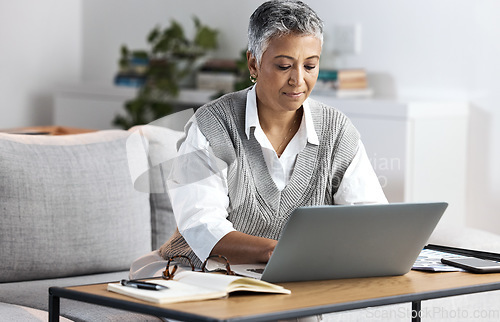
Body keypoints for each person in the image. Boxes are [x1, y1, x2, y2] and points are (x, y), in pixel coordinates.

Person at [155, 0, 387, 270]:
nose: (298, 80)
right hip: (200, 273)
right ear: (253, 64)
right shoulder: (211, 126)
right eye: (284, 66)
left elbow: (370, 219)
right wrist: (278, 251)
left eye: (310, 66)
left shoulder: (337, 132)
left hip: (295, 273)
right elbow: (203, 228)